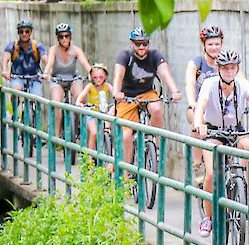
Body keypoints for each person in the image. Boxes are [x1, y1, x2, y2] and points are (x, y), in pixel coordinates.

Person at [192, 48, 249, 236]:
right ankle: (208, 217)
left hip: (234, 129)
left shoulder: (243, 84)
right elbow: (200, 107)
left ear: (237, 69)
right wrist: (199, 124)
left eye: (233, 68)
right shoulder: (209, 84)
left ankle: (244, 188)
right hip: (213, 130)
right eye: (225, 68)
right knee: (213, 174)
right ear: (218, 69)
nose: (229, 72)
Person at [113, 27, 183, 166]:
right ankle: (126, 176)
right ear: (132, 44)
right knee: (126, 136)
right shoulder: (125, 55)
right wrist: (116, 91)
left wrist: (175, 91)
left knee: (157, 109)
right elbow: (118, 74)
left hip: (147, 93)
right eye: (138, 44)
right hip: (127, 96)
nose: (141, 47)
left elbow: (164, 73)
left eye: (145, 43)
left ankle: (155, 144)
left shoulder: (155, 55)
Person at [185, 26, 225, 180]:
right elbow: (189, 83)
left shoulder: (226, 62)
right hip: (199, 108)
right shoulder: (198, 63)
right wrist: (191, 101)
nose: (214, 47)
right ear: (204, 46)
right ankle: (197, 163)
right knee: (198, 121)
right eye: (210, 44)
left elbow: (241, 81)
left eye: (217, 44)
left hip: (221, 111)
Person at [43, 22, 92, 137]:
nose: (64, 39)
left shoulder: (76, 50)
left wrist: (91, 74)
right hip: (58, 80)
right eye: (61, 36)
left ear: (70, 36)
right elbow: (49, 63)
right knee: (56, 104)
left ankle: (80, 129)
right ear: (57, 38)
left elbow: (85, 63)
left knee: (80, 99)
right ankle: (55, 136)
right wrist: (46, 73)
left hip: (73, 79)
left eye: (66, 36)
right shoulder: (53, 50)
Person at [74, 63, 114, 154]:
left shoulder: (107, 86)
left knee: (110, 115)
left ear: (105, 76)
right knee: (94, 133)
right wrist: (79, 103)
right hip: (92, 113)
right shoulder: (90, 87)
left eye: (101, 77)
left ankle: (107, 133)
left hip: (103, 112)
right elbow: (81, 96)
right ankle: (89, 156)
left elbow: (115, 93)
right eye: (95, 77)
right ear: (91, 77)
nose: (98, 79)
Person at [0, 19, 44, 97]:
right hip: (17, 77)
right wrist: (4, 70)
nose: (24, 34)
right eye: (21, 32)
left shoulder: (37, 46)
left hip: (34, 78)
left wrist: (47, 72)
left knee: (37, 97)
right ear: (18, 33)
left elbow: (46, 59)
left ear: (31, 32)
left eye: (27, 31)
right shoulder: (13, 46)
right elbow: (5, 59)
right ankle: (16, 108)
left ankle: (36, 108)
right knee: (16, 92)